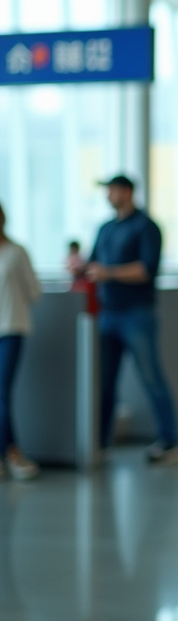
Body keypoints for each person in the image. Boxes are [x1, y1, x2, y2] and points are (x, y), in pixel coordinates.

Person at [86, 175, 178, 464]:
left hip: (136, 314)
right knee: (104, 381)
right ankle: (100, 441)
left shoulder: (146, 227)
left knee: (151, 377)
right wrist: (82, 268)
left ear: (126, 192)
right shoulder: (104, 229)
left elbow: (146, 269)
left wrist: (109, 273)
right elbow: (95, 265)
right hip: (107, 313)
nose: (108, 196)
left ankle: (170, 441)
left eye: (112, 190)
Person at [0, 201, 42, 480]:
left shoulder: (17, 252)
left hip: (11, 328)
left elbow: (34, 291)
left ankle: (12, 454)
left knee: (2, 394)